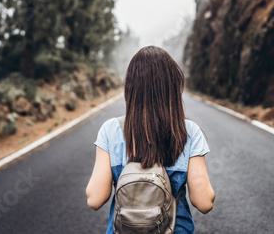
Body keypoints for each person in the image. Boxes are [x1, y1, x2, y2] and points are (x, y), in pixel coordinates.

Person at [86, 45, 215, 233]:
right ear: (172, 88)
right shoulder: (189, 132)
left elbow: (94, 199)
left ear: (130, 88)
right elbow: (204, 202)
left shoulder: (110, 130)